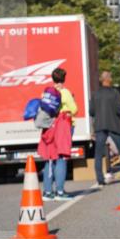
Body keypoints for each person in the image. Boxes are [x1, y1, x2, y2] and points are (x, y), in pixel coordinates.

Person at [38, 67, 77, 200]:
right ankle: (60, 192)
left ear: (53, 78)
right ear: (64, 78)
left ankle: (47, 192)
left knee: (49, 158)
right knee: (61, 158)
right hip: (63, 126)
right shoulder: (65, 92)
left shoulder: (47, 92)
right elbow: (74, 109)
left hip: (49, 126)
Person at [90, 71, 120, 185]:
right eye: (111, 77)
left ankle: (100, 179)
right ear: (108, 80)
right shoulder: (114, 93)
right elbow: (119, 110)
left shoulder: (95, 94)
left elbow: (91, 111)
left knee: (98, 153)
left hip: (100, 125)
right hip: (114, 125)